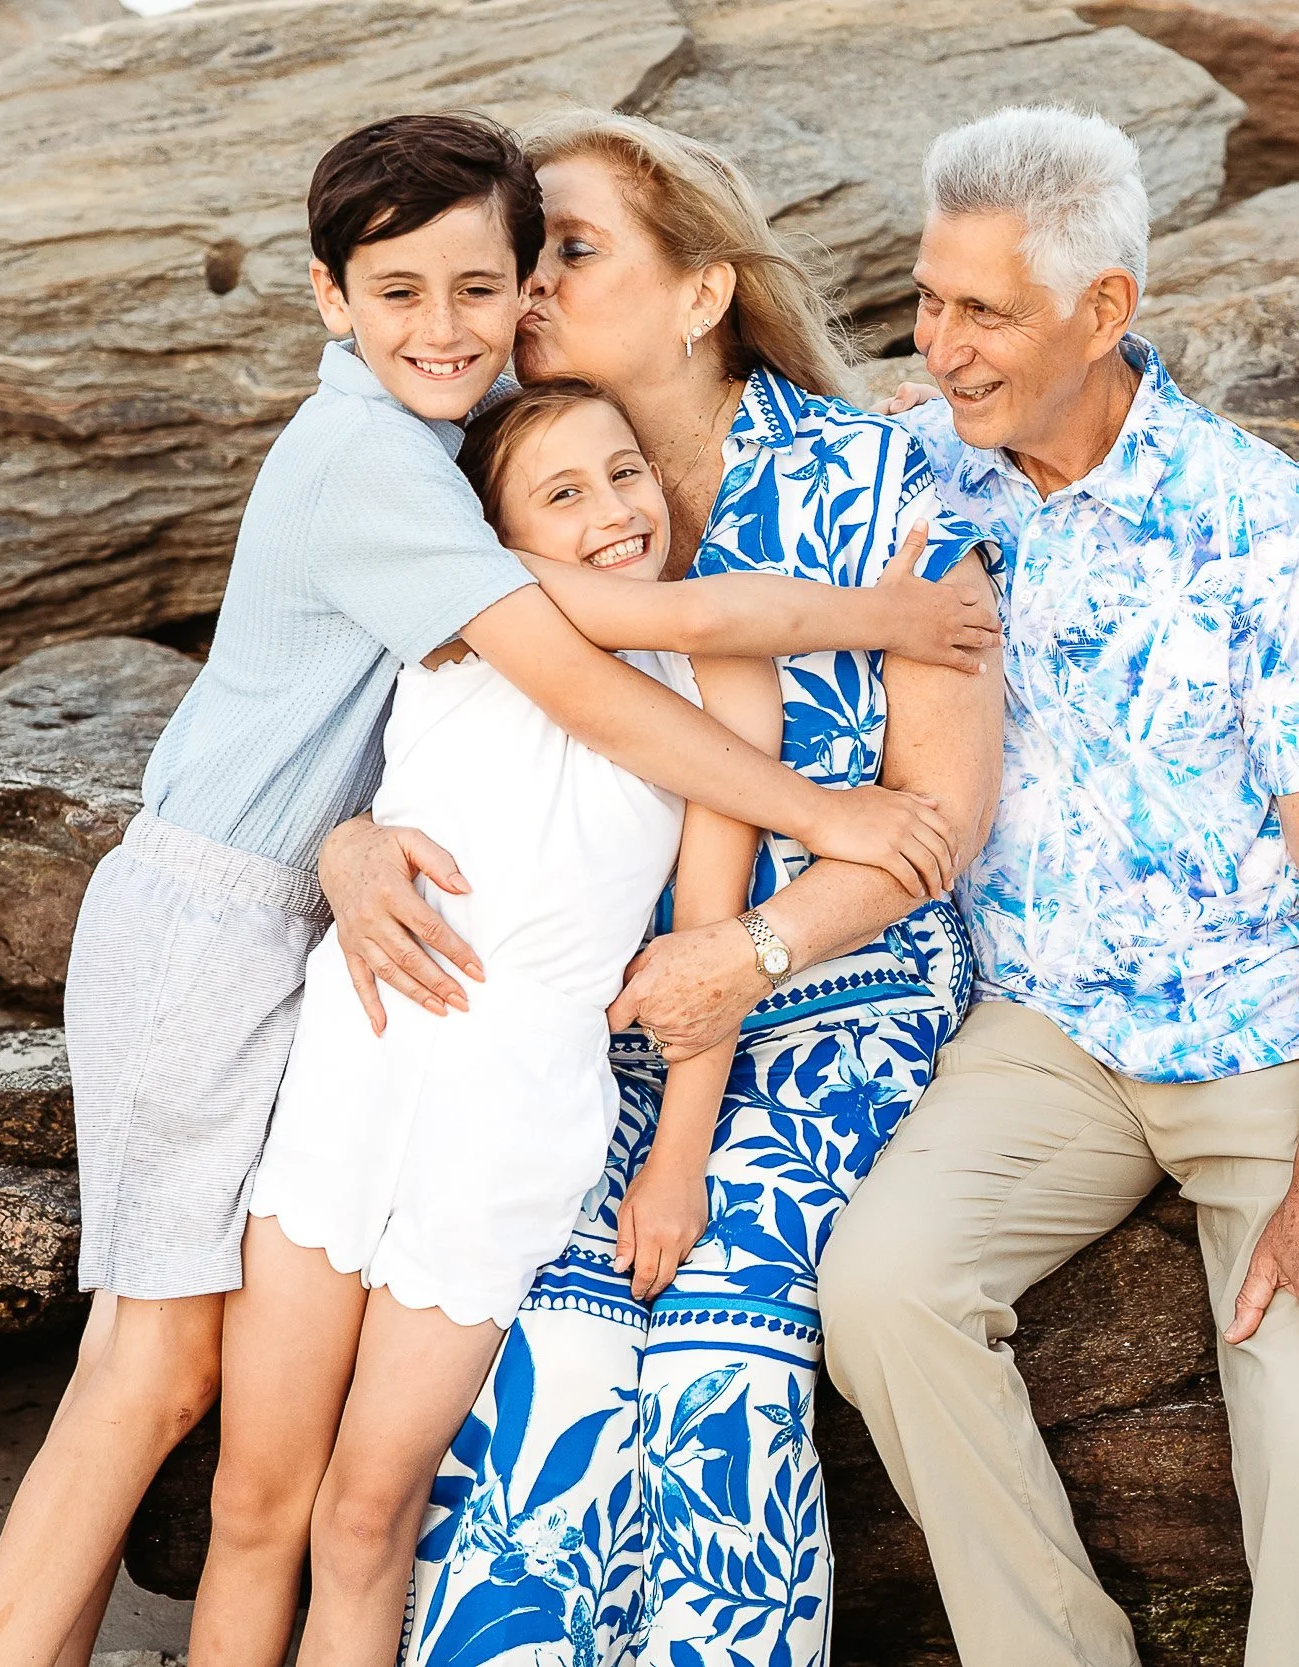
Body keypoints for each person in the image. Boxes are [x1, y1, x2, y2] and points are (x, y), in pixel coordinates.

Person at [0, 113, 987, 1667]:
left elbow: (689, 633)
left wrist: (889, 519)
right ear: (332, 297)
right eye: (461, 278)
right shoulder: (405, 459)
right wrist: (830, 787)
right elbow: (594, 675)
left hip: (461, 1016)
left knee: (239, 1421)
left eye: (514, 272)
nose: (488, 311)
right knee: (155, 1377)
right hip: (240, 934)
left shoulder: (471, 438)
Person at [312, 112, 1006, 1666]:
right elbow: (376, 726)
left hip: (830, 1001)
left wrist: (750, 949)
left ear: (703, 291)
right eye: (524, 254)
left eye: (568, 250)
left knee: (716, 1363)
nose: (527, 288)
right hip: (591, 1025)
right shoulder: (488, 481)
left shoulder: (885, 484)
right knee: (537, 1350)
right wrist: (347, 847)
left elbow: (934, 823)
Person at [818, 107, 1299, 1667]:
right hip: (1044, 1033)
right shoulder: (914, 480)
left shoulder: (1259, 522)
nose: (942, 346)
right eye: (927, 301)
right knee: (880, 1285)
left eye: (984, 311)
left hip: (1263, 1037)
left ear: (1103, 311)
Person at [194, 379, 853, 1659]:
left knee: (367, 1515)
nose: (615, 509)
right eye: (563, 492)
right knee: (254, 1499)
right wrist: (349, 839)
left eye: (625, 472)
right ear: (494, 530)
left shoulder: (718, 670)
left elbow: (707, 941)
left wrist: (675, 1162)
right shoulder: (466, 619)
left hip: (511, 1123)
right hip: (356, 1066)